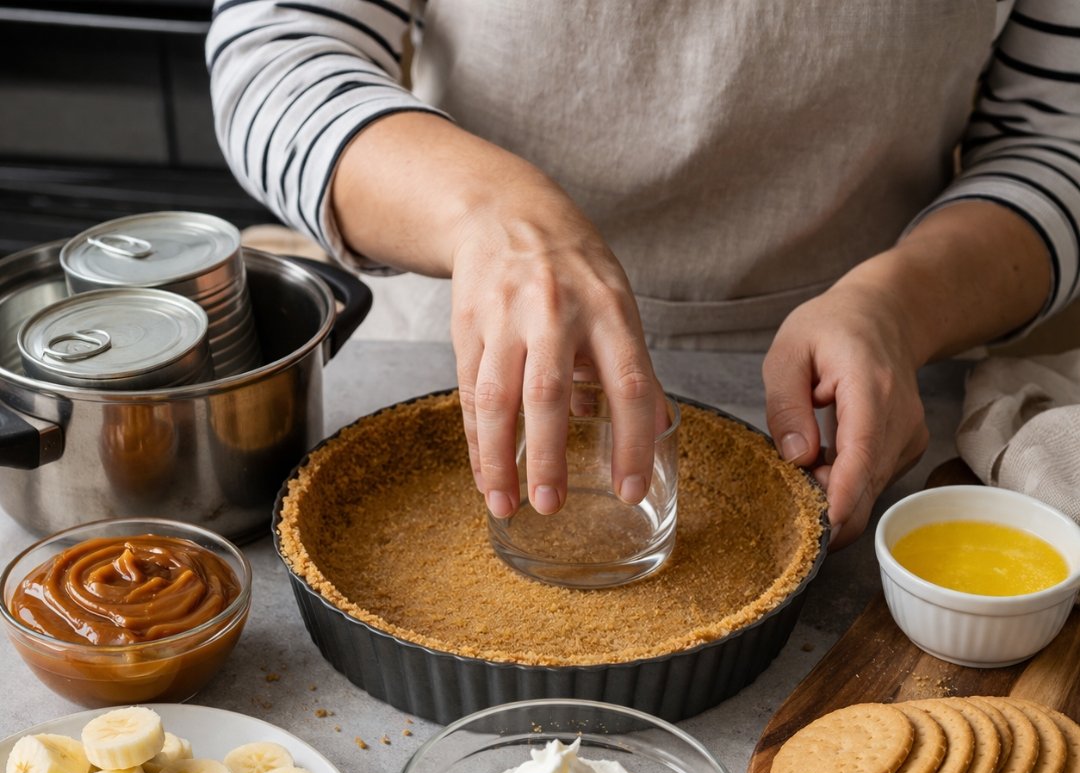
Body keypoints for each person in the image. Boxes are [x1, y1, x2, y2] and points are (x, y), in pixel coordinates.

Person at [208, 1, 1080, 549]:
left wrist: (902, 305)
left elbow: (1056, 140)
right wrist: (492, 215)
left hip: (854, 397)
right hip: (465, 351)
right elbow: (276, 51)